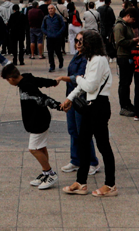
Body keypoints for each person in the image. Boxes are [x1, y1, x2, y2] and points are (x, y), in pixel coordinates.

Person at [59, 29, 117, 198]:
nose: (78, 44)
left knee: (103, 145)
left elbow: (90, 85)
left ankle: (110, 185)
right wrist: (70, 98)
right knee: (83, 142)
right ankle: (81, 182)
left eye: (81, 42)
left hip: (99, 106)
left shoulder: (98, 60)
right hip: (91, 106)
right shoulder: (91, 59)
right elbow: (84, 84)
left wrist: (77, 78)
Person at [1, 63, 61, 191]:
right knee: (41, 146)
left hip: (38, 120)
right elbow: (40, 81)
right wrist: (53, 82)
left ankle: (50, 174)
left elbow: (43, 98)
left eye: (7, 80)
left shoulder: (26, 85)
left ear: (11, 78)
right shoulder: (26, 78)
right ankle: (45, 173)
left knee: (33, 149)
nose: (8, 82)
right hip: (40, 118)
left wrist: (58, 106)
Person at [60, 31, 100, 175]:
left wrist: (63, 78)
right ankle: (76, 160)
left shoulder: (89, 59)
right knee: (73, 130)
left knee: (83, 131)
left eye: (81, 41)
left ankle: (92, 162)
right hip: (72, 97)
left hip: (82, 99)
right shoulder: (77, 56)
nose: (78, 44)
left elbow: (80, 78)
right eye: (77, 41)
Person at [112, 7, 137, 117]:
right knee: (124, 82)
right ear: (128, 16)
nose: (134, 22)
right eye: (133, 19)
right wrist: (133, 41)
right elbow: (120, 41)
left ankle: (128, 103)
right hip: (123, 56)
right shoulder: (119, 26)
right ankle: (124, 106)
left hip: (128, 56)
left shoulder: (127, 26)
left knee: (127, 82)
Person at [43, 3, 66, 72]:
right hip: (49, 38)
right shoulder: (46, 18)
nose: (50, 10)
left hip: (57, 38)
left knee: (58, 51)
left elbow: (63, 26)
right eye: (49, 9)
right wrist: (47, 33)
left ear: (55, 9)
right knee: (50, 52)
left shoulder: (58, 17)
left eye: (52, 8)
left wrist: (59, 33)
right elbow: (43, 27)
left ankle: (61, 61)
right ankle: (52, 66)